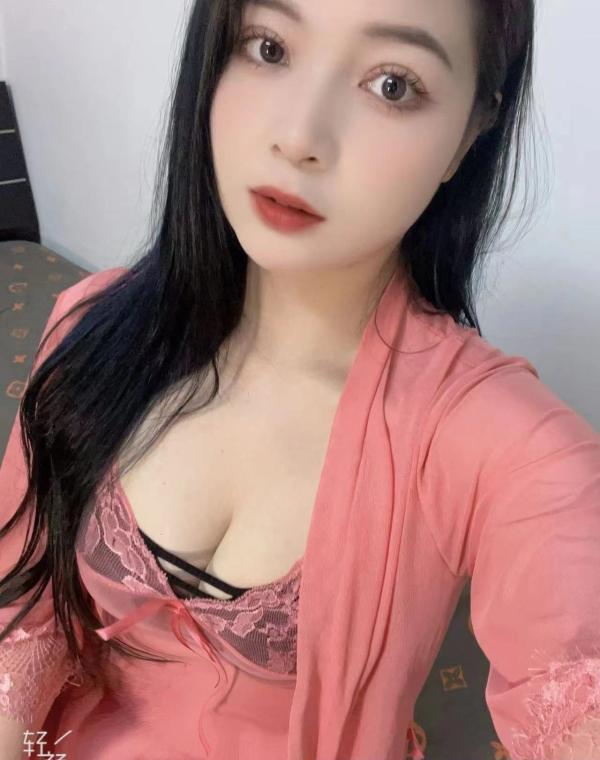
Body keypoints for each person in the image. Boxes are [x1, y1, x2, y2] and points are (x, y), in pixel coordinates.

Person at [1, 0, 599, 758]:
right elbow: (26, 623)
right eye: (269, 47)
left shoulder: (511, 448)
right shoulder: (89, 324)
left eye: (392, 84)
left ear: (470, 132)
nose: (298, 137)